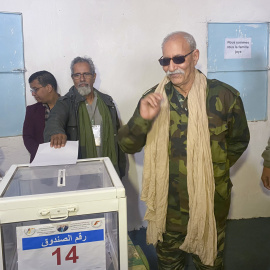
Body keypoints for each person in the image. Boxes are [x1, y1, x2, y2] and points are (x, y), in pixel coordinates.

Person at [118, 31, 250, 269]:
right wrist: (142, 119)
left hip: (209, 205)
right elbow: (127, 145)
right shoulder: (152, 99)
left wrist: (212, 169)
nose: (171, 67)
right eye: (164, 61)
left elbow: (239, 141)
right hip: (167, 211)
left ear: (195, 56)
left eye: (178, 59)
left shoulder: (224, 96)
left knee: (209, 264)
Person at [44, 56, 126, 178]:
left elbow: (117, 135)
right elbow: (55, 119)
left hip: (108, 166)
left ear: (94, 76)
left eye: (86, 74)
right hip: (80, 172)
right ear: (73, 78)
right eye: (77, 75)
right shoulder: (65, 102)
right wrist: (55, 132)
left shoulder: (107, 101)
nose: (82, 79)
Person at [23, 71, 59, 162]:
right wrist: (41, 154)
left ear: (49, 87)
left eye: (35, 89)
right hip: (40, 163)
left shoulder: (69, 106)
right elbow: (28, 137)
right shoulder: (32, 111)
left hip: (67, 163)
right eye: (32, 90)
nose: (33, 94)